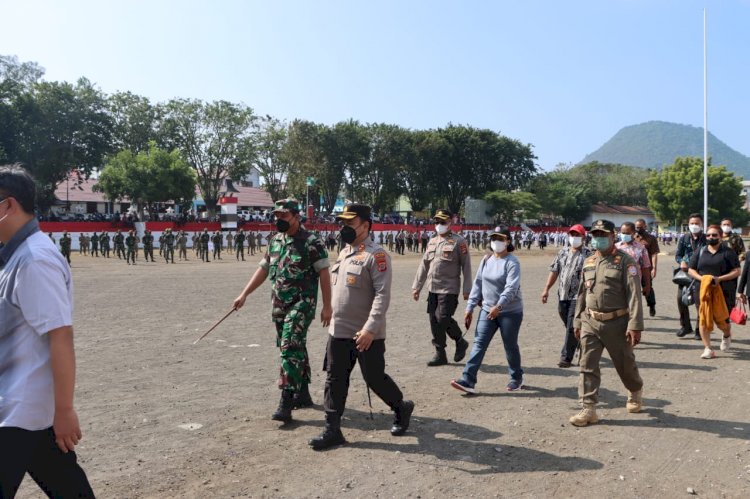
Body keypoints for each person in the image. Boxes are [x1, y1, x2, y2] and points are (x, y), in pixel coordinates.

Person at [0, 165, 95, 497]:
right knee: (69, 488)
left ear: (8, 206)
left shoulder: (34, 260)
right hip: (21, 407)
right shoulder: (13, 256)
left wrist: (65, 410)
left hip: (19, 409)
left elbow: (60, 336)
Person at [309, 204, 414, 450]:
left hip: (366, 333)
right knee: (335, 379)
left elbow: (382, 295)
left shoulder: (376, 255)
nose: (344, 228)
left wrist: (370, 328)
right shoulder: (345, 252)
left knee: (374, 378)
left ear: (366, 225)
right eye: (342, 223)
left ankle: (400, 406)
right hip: (339, 330)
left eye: (350, 223)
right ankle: (332, 429)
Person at [233, 199, 332, 424]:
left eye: (284, 216)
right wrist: (244, 294)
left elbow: (324, 273)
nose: (279, 220)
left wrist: (327, 306)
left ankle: (285, 401)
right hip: (279, 304)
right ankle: (303, 392)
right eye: (276, 216)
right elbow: (264, 269)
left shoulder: (311, 242)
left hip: (302, 303)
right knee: (294, 345)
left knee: (289, 346)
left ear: (296, 216)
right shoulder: (275, 241)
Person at [569, 219, 644, 427]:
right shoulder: (589, 261)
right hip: (590, 321)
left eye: (603, 235)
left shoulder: (626, 262)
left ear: (613, 236)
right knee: (587, 365)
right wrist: (577, 320)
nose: (598, 239)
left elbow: (635, 296)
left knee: (625, 364)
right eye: (595, 235)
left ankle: (635, 389)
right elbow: (582, 293)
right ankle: (589, 408)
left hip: (617, 323)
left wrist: (634, 325)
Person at [451, 227, 524, 393]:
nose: (496, 242)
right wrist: (469, 307)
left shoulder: (512, 262)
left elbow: (511, 288)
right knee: (479, 343)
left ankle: (516, 377)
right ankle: (468, 380)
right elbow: (478, 284)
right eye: (494, 238)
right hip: (487, 309)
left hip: (510, 312)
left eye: (500, 238)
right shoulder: (486, 260)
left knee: (510, 345)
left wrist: (499, 306)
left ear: (508, 242)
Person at [412, 209, 472, 366]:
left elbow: (466, 266)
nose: (439, 225)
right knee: (433, 320)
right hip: (433, 288)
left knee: (443, 318)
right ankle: (440, 354)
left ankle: (460, 340)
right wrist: (417, 286)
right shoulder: (432, 241)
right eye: (436, 222)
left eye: (442, 222)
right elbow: (424, 265)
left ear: (450, 222)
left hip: (449, 288)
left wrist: (467, 289)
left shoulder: (459, 242)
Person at [541, 224, 591, 368]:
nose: (574, 238)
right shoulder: (562, 252)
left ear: (583, 237)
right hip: (562, 295)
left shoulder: (588, 255)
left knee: (571, 326)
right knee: (568, 323)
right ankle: (580, 341)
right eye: (572, 235)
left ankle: (566, 358)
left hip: (579, 297)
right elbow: (554, 271)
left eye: (577, 235)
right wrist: (546, 289)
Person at [687, 225, 740, 359]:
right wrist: (703, 279)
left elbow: (737, 271)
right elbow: (690, 269)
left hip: (724, 291)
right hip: (703, 290)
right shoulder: (701, 251)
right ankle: (708, 348)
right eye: (709, 235)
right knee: (703, 317)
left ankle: (727, 335)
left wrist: (719, 279)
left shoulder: (728, 252)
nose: (711, 237)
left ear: (721, 237)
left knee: (723, 319)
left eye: (714, 235)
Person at [674, 213, 706, 339]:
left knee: (700, 302)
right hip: (685, 274)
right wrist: (681, 261)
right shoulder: (684, 238)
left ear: (702, 224)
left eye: (697, 223)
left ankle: (699, 329)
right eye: (692, 223)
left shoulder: (706, 239)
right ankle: (686, 326)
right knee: (680, 299)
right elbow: (678, 254)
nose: (694, 226)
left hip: (701, 274)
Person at [616, 222, 652, 309]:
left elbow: (645, 267)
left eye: (627, 233)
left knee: (634, 308)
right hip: (617, 283)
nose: (624, 235)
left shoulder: (641, 248)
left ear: (633, 233)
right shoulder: (615, 247)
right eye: (623, 233)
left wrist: (647, 285)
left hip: (634, 284)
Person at [634, 219, 660, 316]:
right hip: (634, 268)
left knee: (648, 288)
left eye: (641, 227)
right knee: (633, 289)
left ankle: (651, 305)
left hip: (646, 268)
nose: (639, 229)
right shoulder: (632, 237)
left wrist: (654, 268)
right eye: (637, 227)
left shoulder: (651, 238)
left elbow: (654, 254)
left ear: (645, 226)